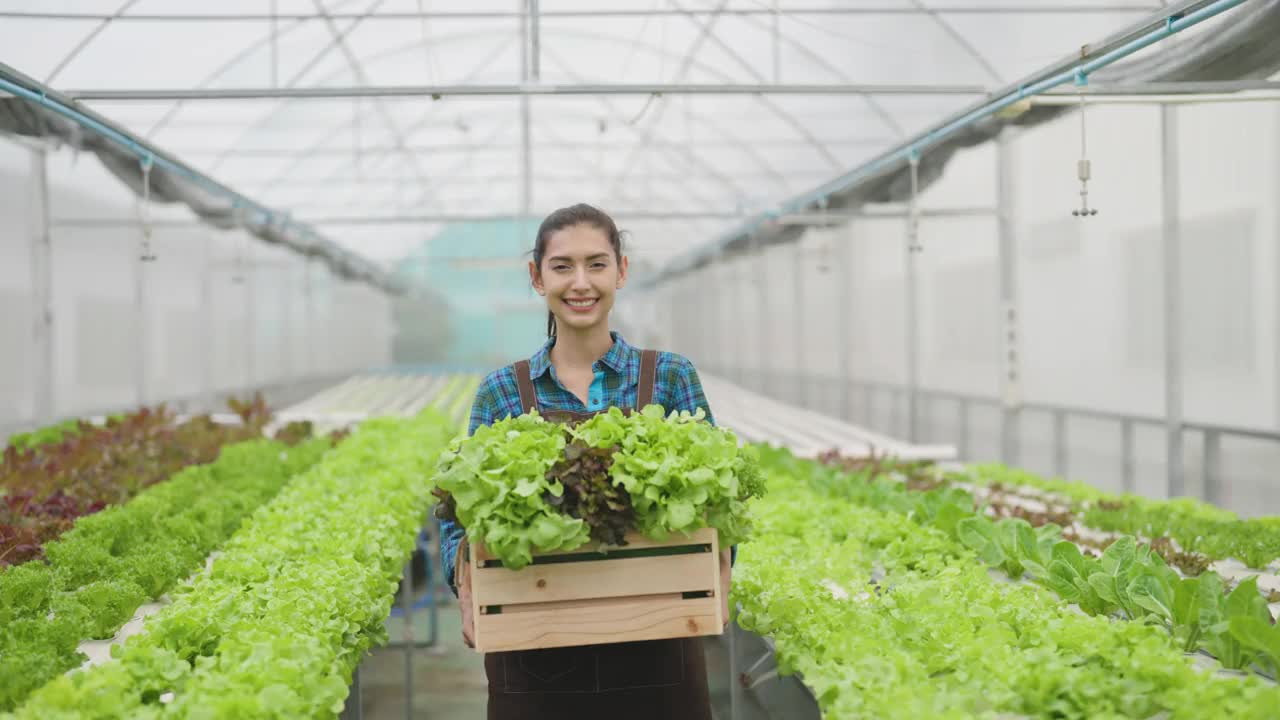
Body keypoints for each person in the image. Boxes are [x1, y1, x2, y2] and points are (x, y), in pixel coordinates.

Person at [439, 203, 732, 720]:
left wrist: (721, 571)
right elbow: (460, 516)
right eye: (562, 266)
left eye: (597, 264)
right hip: (534, 655)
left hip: (658, 647)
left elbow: (719, 500)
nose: (581, 283)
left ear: (622, 270)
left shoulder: (668, 377)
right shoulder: (503, 391)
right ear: (536, 277)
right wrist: (465, 583)